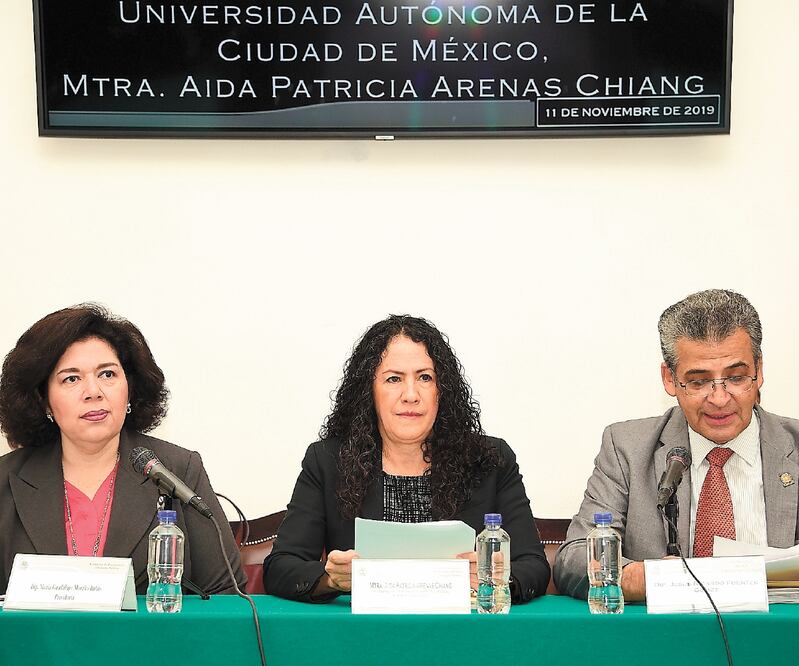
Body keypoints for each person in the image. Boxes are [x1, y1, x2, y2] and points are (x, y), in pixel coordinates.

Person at [263, 315, 550, 602]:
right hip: (363, 635)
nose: (411, 395)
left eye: (425, 377)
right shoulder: (327, 461)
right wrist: (332, 579)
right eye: (393, 379)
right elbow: (282, 567)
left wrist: (496, 579)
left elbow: (534, 567)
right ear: (369, 391)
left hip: (463, 633)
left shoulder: (489, 460)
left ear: (442, 390)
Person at [555, 289, 799, 600]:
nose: (719, 398)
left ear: (759, 371)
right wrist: (635, 578)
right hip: (665, 641)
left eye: (736, 378)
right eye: (698, 382)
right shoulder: (628, 448)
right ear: (670, 379)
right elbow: (574, 557)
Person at [0, 304, 245, 595]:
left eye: (107, 374)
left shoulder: (177, 469)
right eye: (71, 378)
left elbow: (226, 594)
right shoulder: (7, 479)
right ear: (44, 401)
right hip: (37, 642)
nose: (93, 391)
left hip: (150, 641)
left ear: (130, 387)